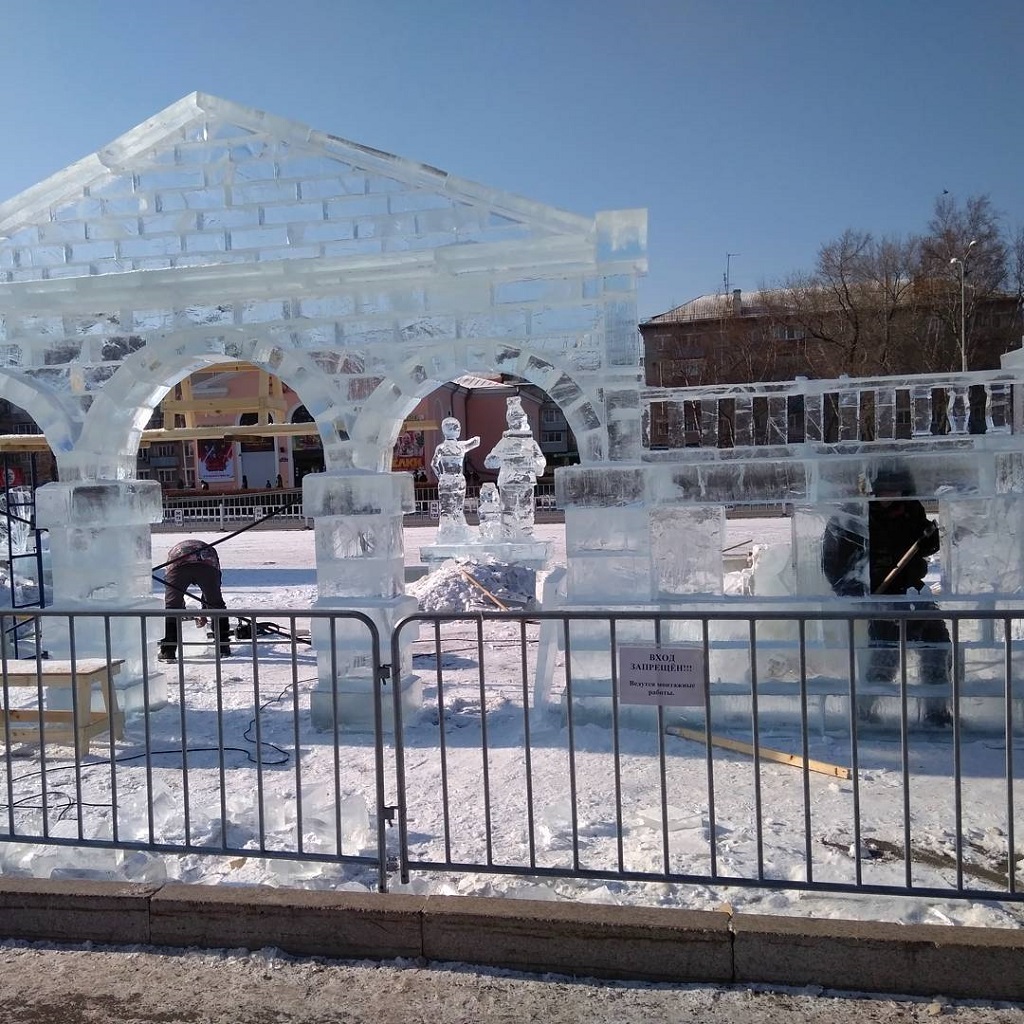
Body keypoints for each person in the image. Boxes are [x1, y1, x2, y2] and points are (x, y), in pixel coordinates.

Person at [821, 463, 951, 724]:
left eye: (896, 487)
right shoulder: (851, 516)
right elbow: (832, 563)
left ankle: (936, 711)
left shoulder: (910, 510)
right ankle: (864, 711)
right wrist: (855, 589)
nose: (890, 493)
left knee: (937, 645)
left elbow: (923, 544)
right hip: (878, 597)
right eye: (884, 487)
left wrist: (930, 539)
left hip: (911, 593)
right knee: (885, 654)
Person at [484, 396, 546, 539]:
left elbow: (541, 461)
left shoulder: (531, 443)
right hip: (508, 482)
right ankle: (508, 535)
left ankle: (526, 534)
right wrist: (501, 459)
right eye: (515, 421)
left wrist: (534, 465)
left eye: (520, 420)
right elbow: (489, 462)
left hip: (526, 482)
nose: (518, 424)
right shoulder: (504, 442)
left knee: (526, 510)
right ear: (510, 422)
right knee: (508, 511)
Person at [158, 539, 231, 662]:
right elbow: (210, 595)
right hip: (207, 561)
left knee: (172, 607)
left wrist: (181, 609)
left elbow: (175, 598)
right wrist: (206, 611)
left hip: (177, 561)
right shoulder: (211, 557)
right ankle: (223, 648)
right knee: (216, 605)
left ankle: (168, 651)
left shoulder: (175, 553)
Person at [429, 416, 480, 543]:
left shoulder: (441, 447)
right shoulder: (460, 446)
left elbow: (434, 464)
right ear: (455, 430)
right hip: (457, 479)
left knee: (448, 508)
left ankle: (448, 532)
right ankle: (455, 531)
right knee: (456, 507)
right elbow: (475, 442)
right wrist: (476, 438)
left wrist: (441, 476)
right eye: (457, 428)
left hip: (447, 479)